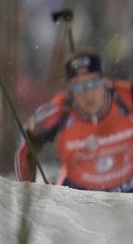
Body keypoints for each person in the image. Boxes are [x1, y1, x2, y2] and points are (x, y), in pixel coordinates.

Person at [15, 50, 133, 192]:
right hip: (79, 194)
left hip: (128, 186)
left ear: (106, 81)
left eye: (93, 83)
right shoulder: (60, 110)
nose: (87, 94)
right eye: (78, 87)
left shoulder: (126, 97)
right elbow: (24, 147)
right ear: (70, 90)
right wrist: (27, 192)